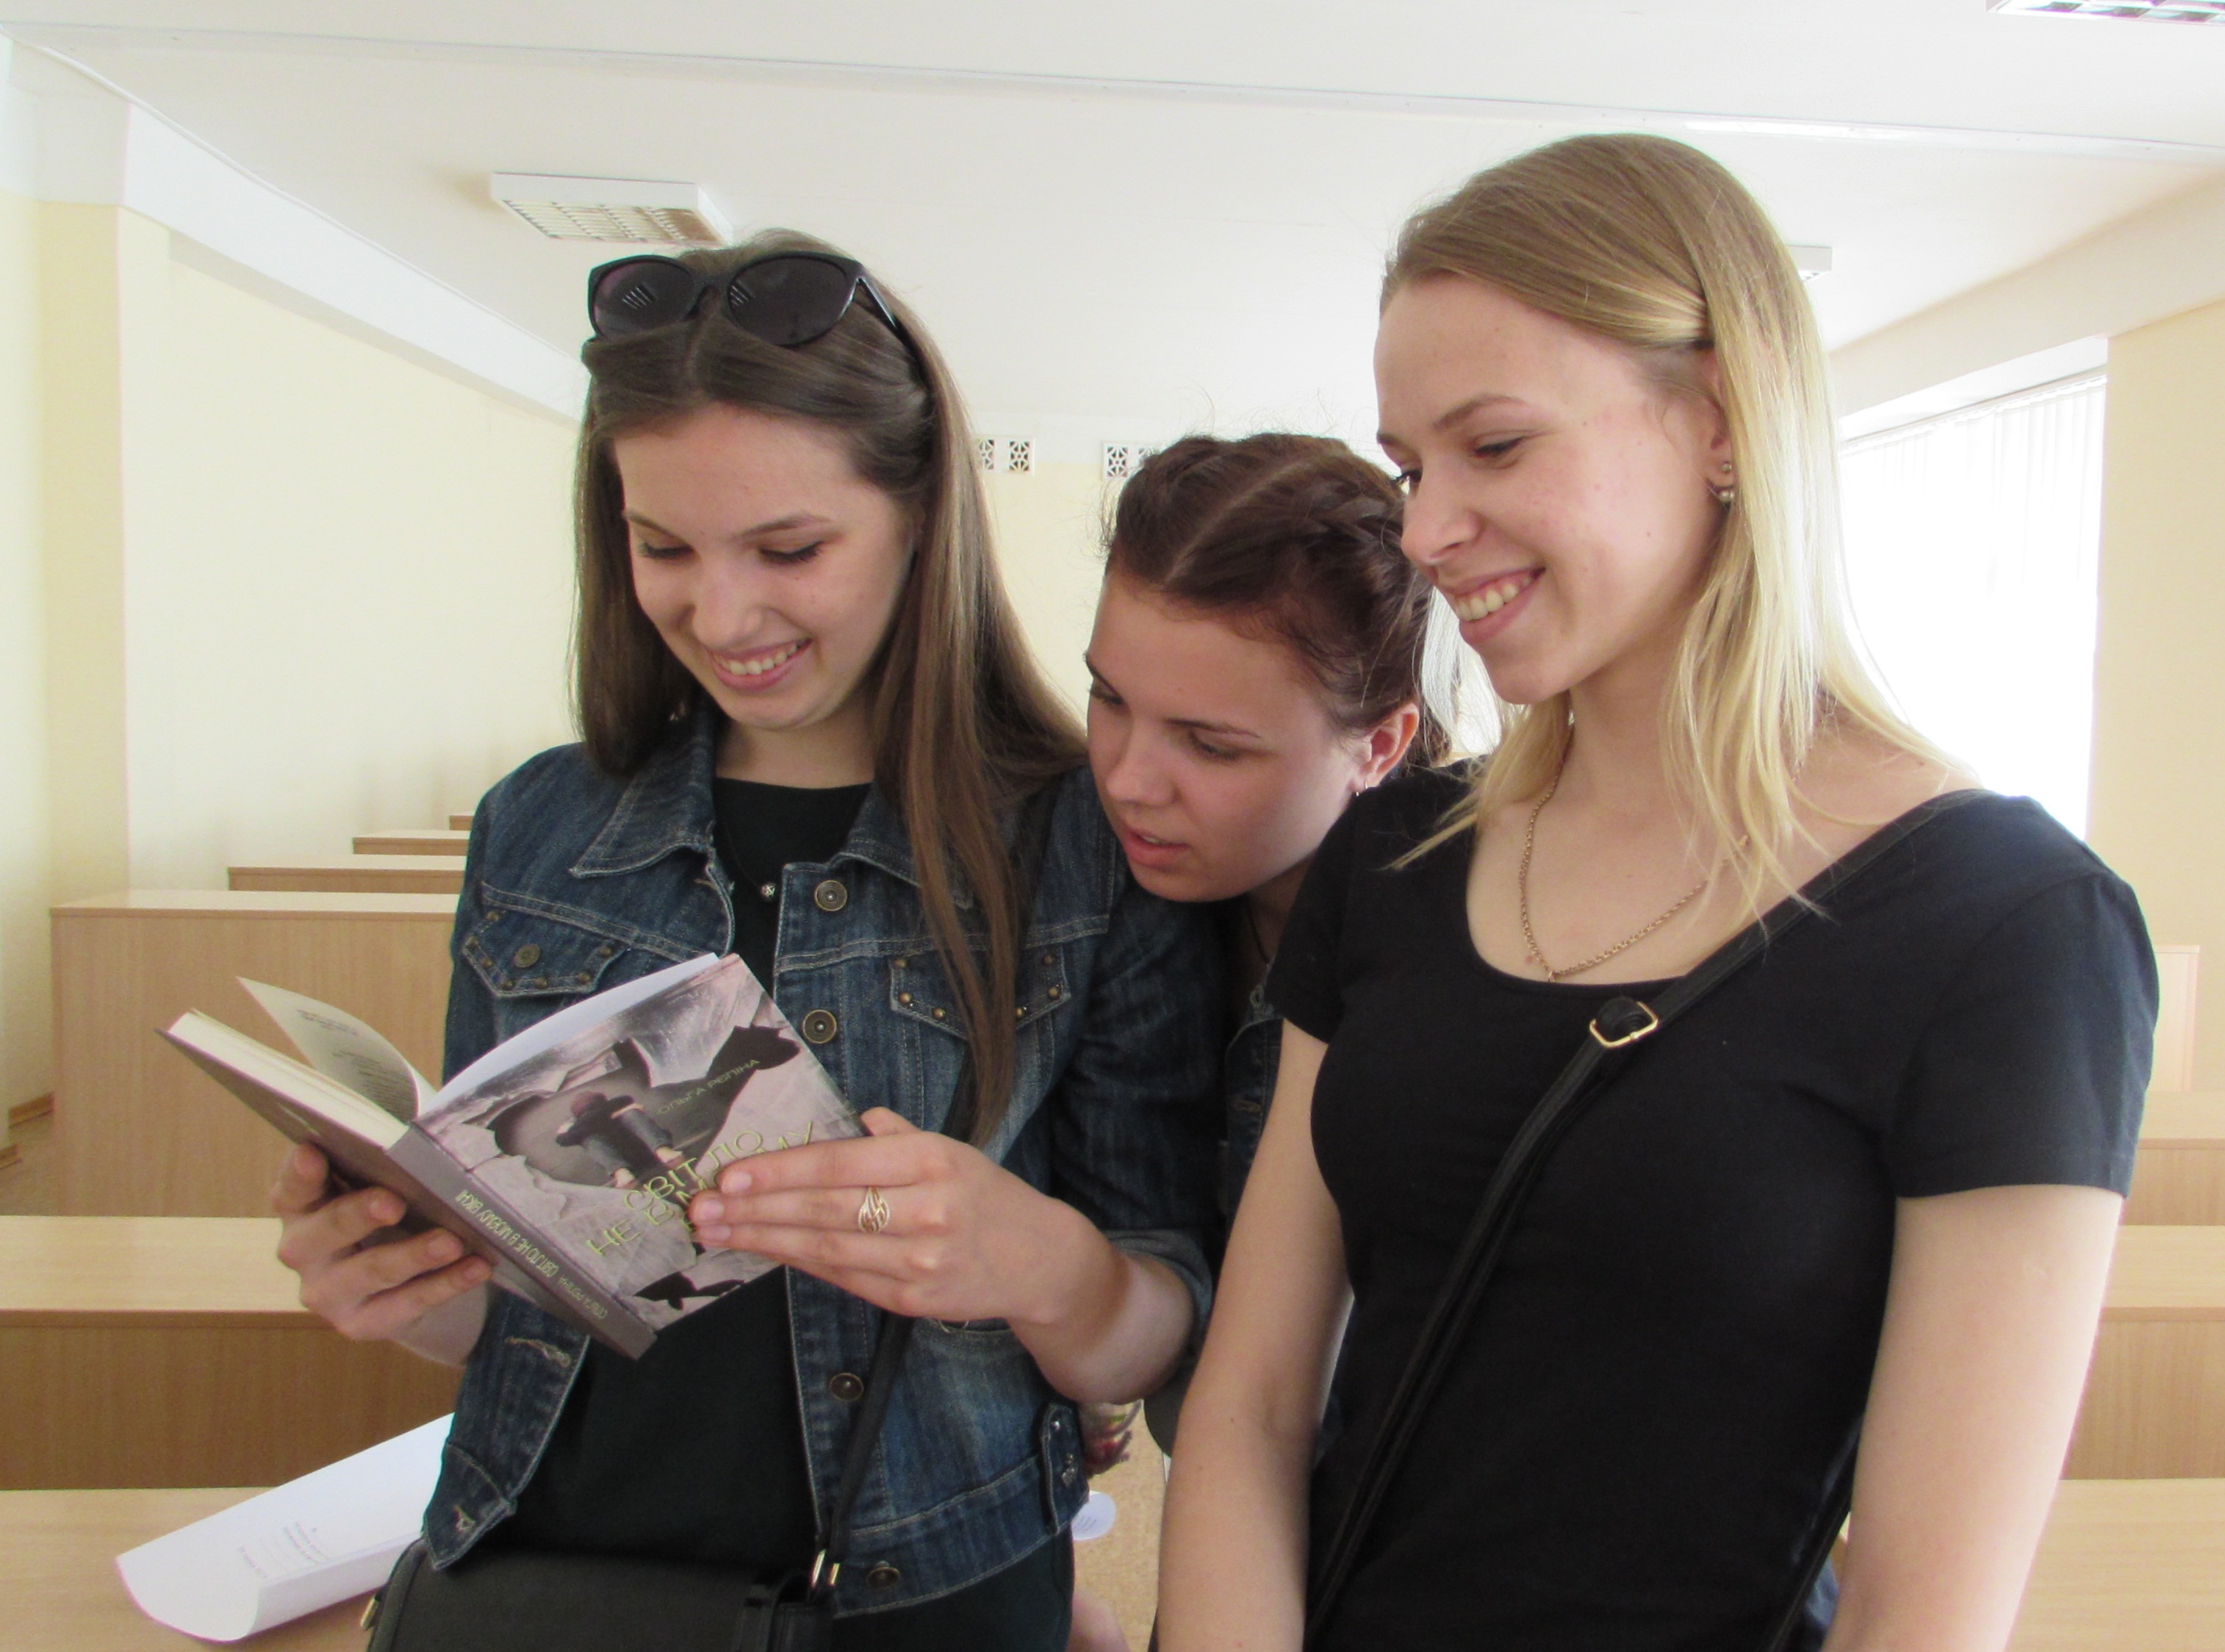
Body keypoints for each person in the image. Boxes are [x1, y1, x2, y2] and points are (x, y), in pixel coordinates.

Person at [1157, 134, 2157, 1652]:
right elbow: (1252, 1401)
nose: (1422, 531)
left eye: (1495, 447)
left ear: (1717, 423)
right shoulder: (1398, 854)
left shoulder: (2010, 927)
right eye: (1411, 467)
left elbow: (1922, 1608)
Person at [270, 231, 1221, 1651]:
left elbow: (1158, 1325)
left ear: (919, 515)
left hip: (922, 1602)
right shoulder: (539, 825)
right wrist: (401, 1288)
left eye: (789, 550)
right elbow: (523, 1318)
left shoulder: (1084, 846)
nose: (721, 616)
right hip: (549, 1587)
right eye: (664, 548)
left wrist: (1041, 1262)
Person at [1069, 431, 1445, 1652]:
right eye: (1109, 699)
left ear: (1379, 745)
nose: (1130, 779)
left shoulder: (1469, 961)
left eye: (1211, 744)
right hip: (1228, 1545)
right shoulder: (1105, 907)